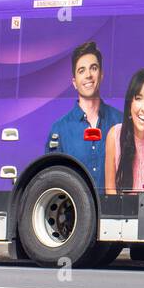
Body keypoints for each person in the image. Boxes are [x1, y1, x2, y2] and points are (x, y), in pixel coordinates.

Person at [47, 41, 121, 188]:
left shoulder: (120, 122)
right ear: (74, 82)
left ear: (101, 75)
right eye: (81, 70)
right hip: (77, 209)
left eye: (93, 68)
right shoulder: (59, 130)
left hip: (115, 209)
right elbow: (52, 180)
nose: (88, 75)